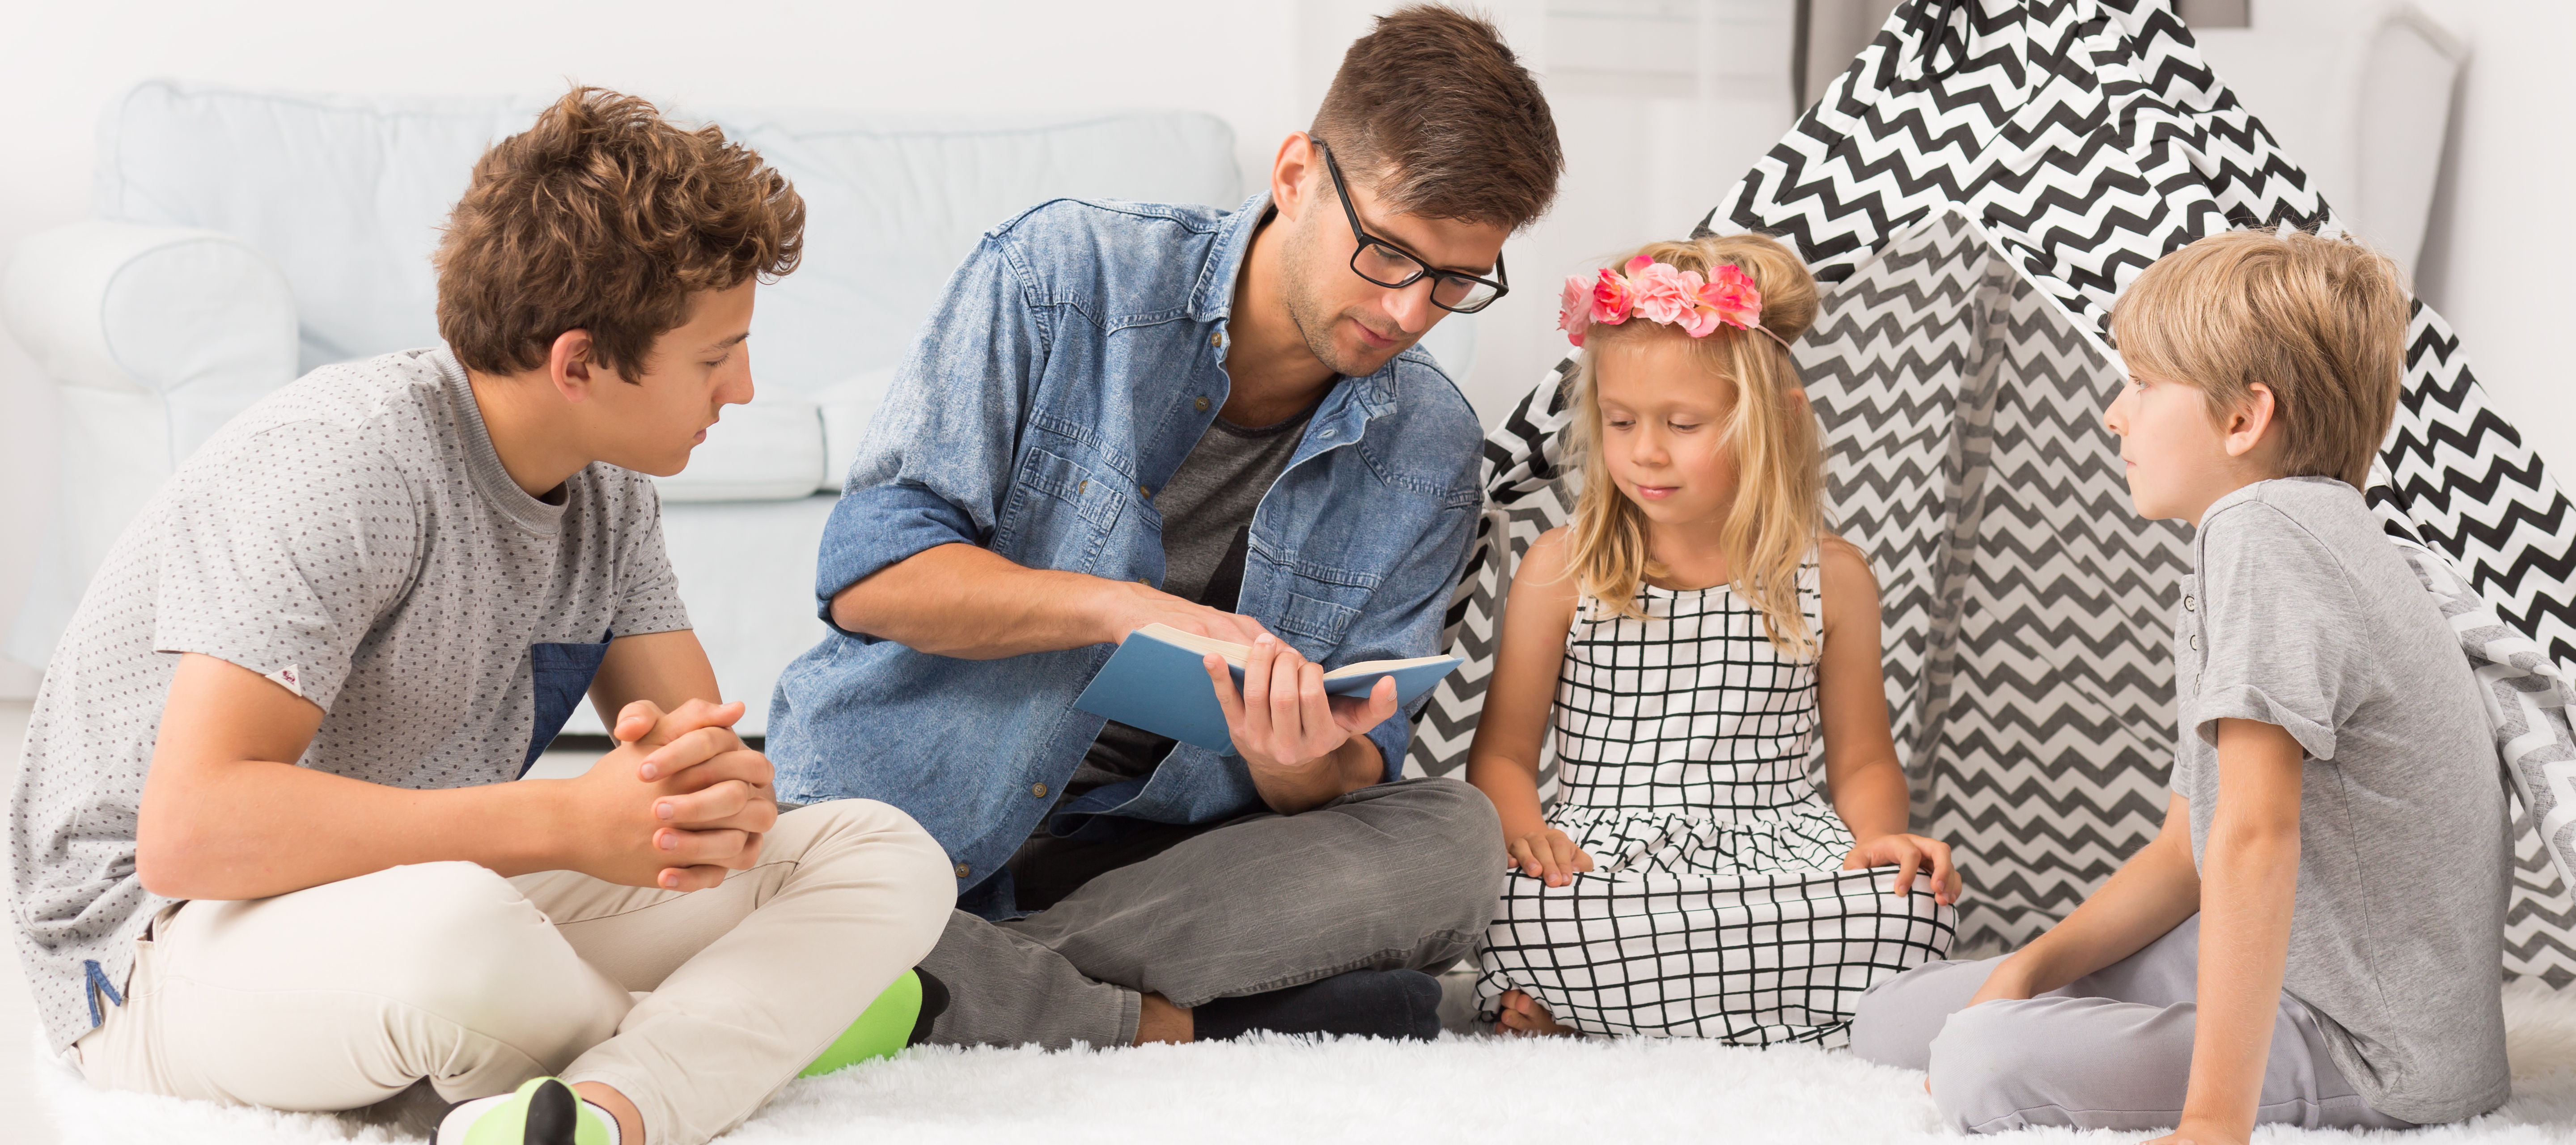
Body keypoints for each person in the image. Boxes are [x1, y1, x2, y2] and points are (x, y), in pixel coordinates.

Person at [6, 88, 956, 1145]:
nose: (740, 387)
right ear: (580, 363)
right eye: (713, 354)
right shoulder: (349, 459)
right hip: (159, 944)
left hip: (425, 885)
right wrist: (562, 821)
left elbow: (698, 790)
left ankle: (605, 1109)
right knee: (462, 939)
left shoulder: (609, 491)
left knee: (883, 851)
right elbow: (191, 833)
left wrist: (711, 794)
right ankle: (727, 1041)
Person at [763, 5, 1561, 1048]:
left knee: (1454, 838)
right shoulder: (1063, 277)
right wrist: (1119, 609)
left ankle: (942, 977)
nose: (1413, 312)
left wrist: (1292, 757)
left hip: (1149, 862)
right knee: (1393, 1002)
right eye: (1389, 254)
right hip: (918, 805)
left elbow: (1358, 768)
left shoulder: (1428, 445)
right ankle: (1153, 1018)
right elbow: (868, 573)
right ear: (1294, 176)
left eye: (1458, 281)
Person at [1847, 229, 2510, 1141]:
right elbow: (2189, 848)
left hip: (2375, 1045)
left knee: (1979, 1063)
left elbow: (2253, 836)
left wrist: (2212, 1123)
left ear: (2244, 419)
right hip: (2287, 963)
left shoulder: (2265, 532)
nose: (2115, 414)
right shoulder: (2271, 536)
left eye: (2143, 385)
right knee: (1899, 1019)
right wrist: (2029, 971)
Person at [1464, 234, 1959, 1043]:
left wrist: (1878, 844)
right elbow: (1506, 756)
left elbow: (1864, 759)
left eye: (1683, 424)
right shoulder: (1564, 568)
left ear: (1776, 423)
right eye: (1620, 422)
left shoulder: (1831, 577)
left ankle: (1602, 1018)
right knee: (1511, 906)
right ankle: (1762, 1020)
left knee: (1909, 914)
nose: (1645, 451)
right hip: (1605, 863)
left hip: (1781, 855)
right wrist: (1530, 841)